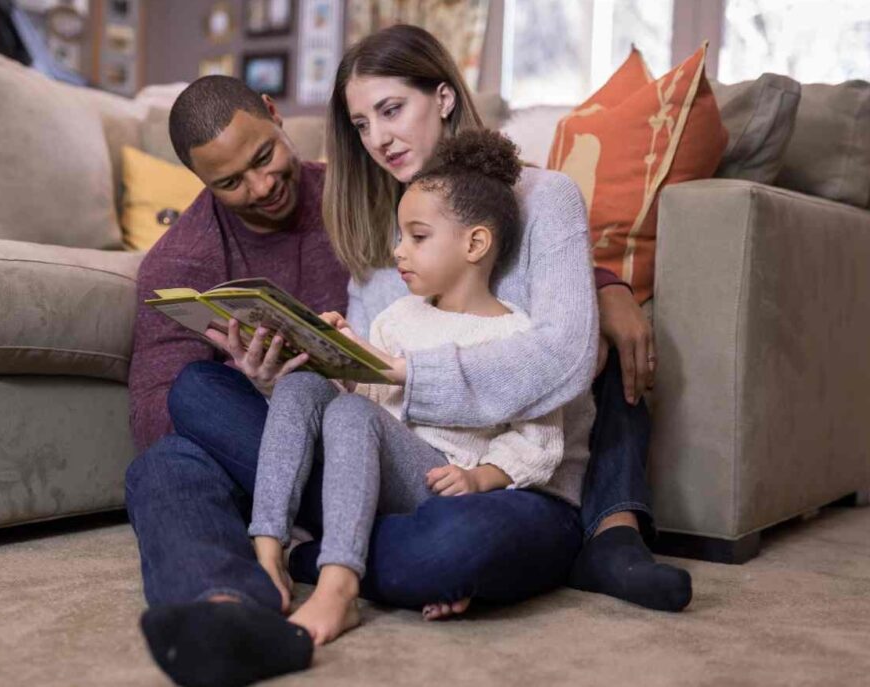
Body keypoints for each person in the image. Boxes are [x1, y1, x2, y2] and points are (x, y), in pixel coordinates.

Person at [126, 28, 687, 685]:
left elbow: (562, 352)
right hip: (389, 464)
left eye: (392, 111)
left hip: (502, 482)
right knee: (187, 414)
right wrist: (282, 382)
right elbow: (360, 404)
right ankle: (227, 611)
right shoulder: (376, 225)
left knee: (445, 547)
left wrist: (608, 285)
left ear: (444, 96)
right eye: (362, 124)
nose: (379, 139)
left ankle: (325, 558)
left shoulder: (541, 197)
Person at [249, 129, 594, 645]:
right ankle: (268, 548)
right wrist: (342, 361)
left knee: (352, 419)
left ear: (475, 243)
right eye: (399, 236)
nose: (398, 251)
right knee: (301, 389)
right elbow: (370, 406)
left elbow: (539, 444)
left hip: (444, 483)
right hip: (387, 466)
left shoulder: (512, 334)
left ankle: (338, 584)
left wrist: (481, 479)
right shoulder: (398, 317)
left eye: (417, 237)